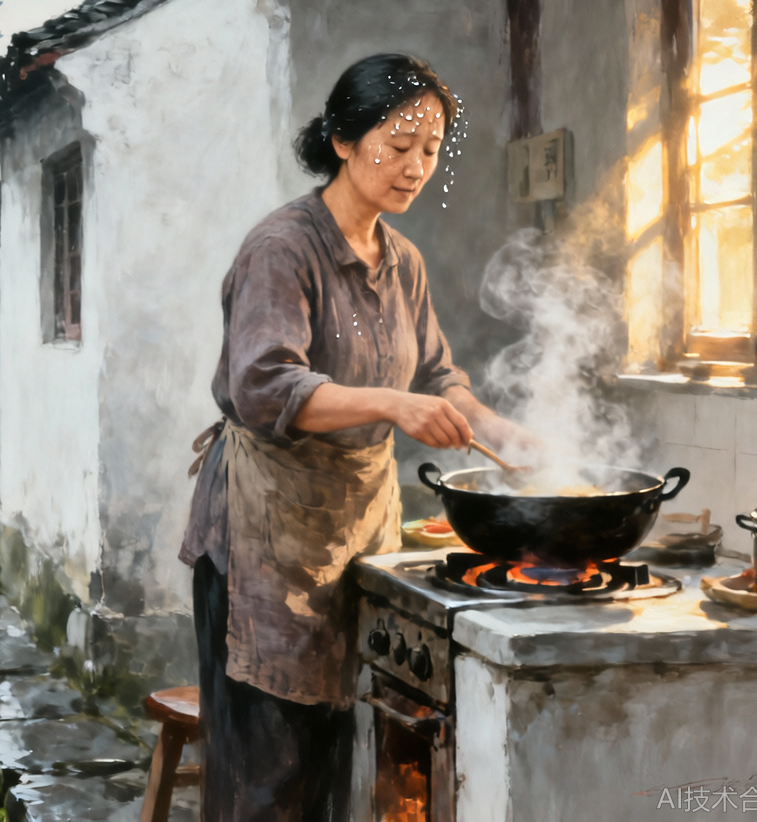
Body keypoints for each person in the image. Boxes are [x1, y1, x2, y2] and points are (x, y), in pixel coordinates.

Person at [179, 54, 532, 821]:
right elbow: (264, 384)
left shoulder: (403, 262)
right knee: (266, 782)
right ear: (342, 140)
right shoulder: (283, 248)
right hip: (264, 540)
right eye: (398, 145)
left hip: (351, 534)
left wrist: (499, 429)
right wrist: (395, 405)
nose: (416, 167)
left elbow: (437, 375)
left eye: (430, 149)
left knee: (332, 769)